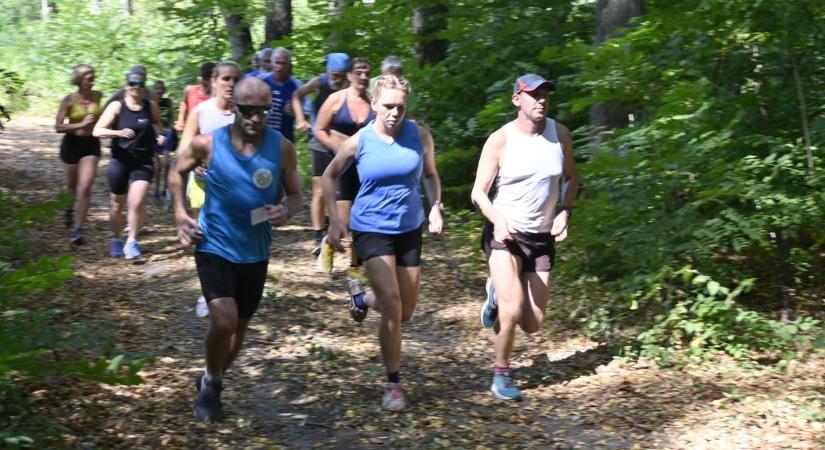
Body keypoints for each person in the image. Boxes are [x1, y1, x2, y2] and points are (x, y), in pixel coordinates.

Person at [168, 77, 302, 422]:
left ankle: (212, 377)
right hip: (213, 244)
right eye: (247, 110)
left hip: (255, 251)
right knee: (224, 320)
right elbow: (175, 172)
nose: (254, 118)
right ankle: (212, 384)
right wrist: (182, 216)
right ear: (234, 108)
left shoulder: (282, 147)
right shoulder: (209, 144)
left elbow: (297, 195)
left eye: (261, 111)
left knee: (239, 329)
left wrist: (285, 211)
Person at [322, 74, 443, 411]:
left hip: (408, 228)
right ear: (374, 105)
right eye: (388, 106)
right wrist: (334, 220)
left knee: (405, 311)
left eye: (400, 107)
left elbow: (431, 175)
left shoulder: (419, 135)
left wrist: (435, 206)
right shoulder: (360, 141)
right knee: (392, 303)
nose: (394, 113)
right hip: (370, 228)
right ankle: (393, 383)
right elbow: (330, 176)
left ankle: (361, 297)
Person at [470, 74, 578, 401]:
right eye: (533, 94)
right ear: (517, 99)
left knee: (532, 323)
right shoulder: (500, 140)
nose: (541, 100)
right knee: (513, 308)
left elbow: (572, 179)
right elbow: (478, 193)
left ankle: (494, 295)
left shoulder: (560, 135)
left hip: (541, 239)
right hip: (505, 233)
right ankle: (501, 373)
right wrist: (497, 220)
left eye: (545, 94)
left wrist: (565, 211)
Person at [177, 61, 242, 318]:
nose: (231, 84)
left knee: (235, 234)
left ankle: (231, 288)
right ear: (214, 81)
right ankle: (209, 292)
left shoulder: (245, 113)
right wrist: (195, 164)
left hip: (236, 188)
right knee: (205, 235)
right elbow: (184, 149)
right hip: (203, 184)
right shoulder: (201, 111)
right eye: (226, 79)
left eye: (236, 79)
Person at [93, 67, 164, 259]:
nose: (136, 87)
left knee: (137, 201)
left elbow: (158, 124)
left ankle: (132, 241)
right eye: (133, 84)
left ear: (144, 86)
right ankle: (116, 239)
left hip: (143, 161)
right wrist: (118, 133)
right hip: (120, 159)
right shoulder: (117, 106)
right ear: (127, 85)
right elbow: (97, 131)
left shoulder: (151, 106)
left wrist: (159, 135)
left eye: (140, 84)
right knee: (117, 203)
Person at [314, 57, 374, 276]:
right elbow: (319, 129)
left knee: (362, 219)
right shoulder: (336, 99)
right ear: (349, 75)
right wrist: (339, 148)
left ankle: (355, 267)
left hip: (366, 167)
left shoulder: (373, 101)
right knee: (344, 222)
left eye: (367, 73)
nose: (364, 77)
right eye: (359, 72)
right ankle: (328, 243)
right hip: (341, 167)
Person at [292, 52, 350, 256]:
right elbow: (298, 94)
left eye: (341, 75)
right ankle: (318, 236)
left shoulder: (352, 85)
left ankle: (338, 230)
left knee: (340, 191)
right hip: (319, 141)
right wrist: (300, 118)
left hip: (344, 144)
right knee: (319, 190)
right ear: (328, 72)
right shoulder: (320, 82)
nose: (337, 79)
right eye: (334, 75)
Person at [55, 64, 103, 245]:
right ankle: (68, 209)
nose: (92, 80)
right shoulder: (68, 100)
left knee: (85, 187)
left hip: (91, 144)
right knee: (72, 187)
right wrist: (80, 124)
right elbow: (58, 126)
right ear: (79, 79)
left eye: (93, 77)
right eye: (88, 77)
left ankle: (78, 229)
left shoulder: (98, 96)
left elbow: (105, 115)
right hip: (71, 144)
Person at [257, 47, 301, 143]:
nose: (280, 67)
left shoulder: (297, 86)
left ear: (289, 65)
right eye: (277, 62)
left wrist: (296, 112)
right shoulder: (260, 81)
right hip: (261, 137)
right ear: (272, 63)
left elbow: (305, 115)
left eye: (283, 63)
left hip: (285, 138)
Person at [151, 80, 175, 201]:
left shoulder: (167, 102)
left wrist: (169, 131)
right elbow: (151, 122)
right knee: (158, 165)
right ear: (153, 90)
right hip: (155, 136)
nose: (159, 91)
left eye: (161, 88)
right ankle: (155, 191)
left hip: (167, 134)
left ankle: (165, 189)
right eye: (156, 88)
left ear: (164, 90)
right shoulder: (150, 103)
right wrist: (158, 133)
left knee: (167, 163)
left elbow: (171, 118)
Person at [175, 62, 215, 132]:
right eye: (204, 79)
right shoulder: (190, 90)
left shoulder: (216, 97)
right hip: (190, 133)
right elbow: (184, 102)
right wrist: (180, 120)